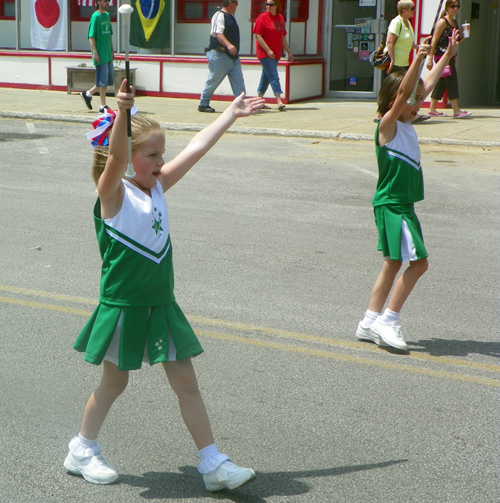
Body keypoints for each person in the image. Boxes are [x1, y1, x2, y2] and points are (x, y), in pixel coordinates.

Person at [64, 79, 265, 489]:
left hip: (161, 303)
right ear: (127, 157)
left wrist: (229, 114)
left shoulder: (156, 186)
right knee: (114, 382)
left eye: (161, 154)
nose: (161, 162)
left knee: (186, 381)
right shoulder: (113, 195)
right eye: (152, 155)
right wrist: (122, 111)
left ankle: (212, 464)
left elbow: (196, 148)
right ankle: (82, 449)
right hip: (123, 305)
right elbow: (117, 158)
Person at [356, 30, 460, 351]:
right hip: (393, 205)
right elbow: (405, 91)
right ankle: (389, 321)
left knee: (392, 263)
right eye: (412, 99)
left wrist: (446, 55)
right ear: (393, 101)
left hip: (402, 205)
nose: (419, 102)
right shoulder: (387, 126)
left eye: (421, 98)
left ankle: (369, 322)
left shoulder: (406, 121)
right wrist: (417, 57)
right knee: (419, 263)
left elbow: (422, 84)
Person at [378, 1, 429, 123]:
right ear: (404, 10)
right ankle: (381, 114)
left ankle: (406, 113)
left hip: (404, 63)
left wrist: (419, 47)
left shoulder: (408, 24)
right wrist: (392, 60)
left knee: (407, 89)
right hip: (395, 63)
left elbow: (408, 43)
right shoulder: (397, 22)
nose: (414, 10)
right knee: (393, 90)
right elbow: (390, 42)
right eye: (412, 8)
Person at [198, 0, 245, 113]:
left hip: (233, 56)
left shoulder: (231, 16)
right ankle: (203, 104)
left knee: (238, 81)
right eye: (236, 2)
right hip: (219, 54)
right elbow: (218, 34)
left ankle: (242, 103)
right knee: (214, 79)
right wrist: (229, 45)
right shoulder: (219, 15)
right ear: (230, 2)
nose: (237, 5)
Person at [427, 0, 471, 119]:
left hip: (450, 55)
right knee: (452, 81)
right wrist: (430, 58)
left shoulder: (454, 22)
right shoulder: (442, 22)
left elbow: (454, 42)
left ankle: (432, 109)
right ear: (447, 7)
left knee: (441, 82)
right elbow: (434, 41)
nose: (455, 8)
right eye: (452, 6)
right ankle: (456, 110)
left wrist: (464, 37)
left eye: (457, 6)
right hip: (442, 56)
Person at [253, 0, 293, 111]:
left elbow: (282, 37)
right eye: (266, 4)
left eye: (271, 4)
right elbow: (258, 36)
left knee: (265, 77)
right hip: (265, 53)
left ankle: (258, 101)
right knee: (274, 76)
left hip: (276, 53)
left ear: (277, 6)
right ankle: (279, 100)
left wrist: (288, 52)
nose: (268, 6)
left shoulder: (280, 18)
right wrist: (268, 50)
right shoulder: (262, 17)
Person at [80, 0, 114, 114]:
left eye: (108, 1)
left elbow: (109, 35)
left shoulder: (107, 16)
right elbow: (91, 36)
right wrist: (95, 52)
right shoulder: (95, 17)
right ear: (98, 2)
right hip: (100, 54)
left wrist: (112, 50)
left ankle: (88, 94)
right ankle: (102, 105)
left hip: (108, 53)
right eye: (105, 1)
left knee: (106, 79)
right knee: (102, 81)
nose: (107, 3)